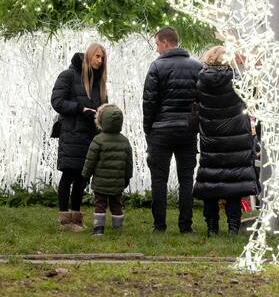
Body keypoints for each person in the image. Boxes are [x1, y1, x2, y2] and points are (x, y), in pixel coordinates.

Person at [192, 46, 258, 237]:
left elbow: (197, 106)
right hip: (235, 139)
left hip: (211, 138)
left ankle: (212, 227)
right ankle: (233, 227)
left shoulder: (201, 80)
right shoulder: (237, 79)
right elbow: (251, 98)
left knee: (210, 182)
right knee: (233, 186)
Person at [142, 26, 202, 233]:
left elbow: (149, 102)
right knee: (186, 179)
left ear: (166, 43)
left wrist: (148, 129)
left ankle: (159, 225)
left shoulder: (157, 67)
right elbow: (201, 100)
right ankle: (186, 225)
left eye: (157, 44)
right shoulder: (196, 66)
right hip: (187, 130)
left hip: (161, 130)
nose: (157, 49)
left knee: (159, 178)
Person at [51, 43, 108, 231]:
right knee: (69, 174)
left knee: (83, 177)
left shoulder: (99, 81)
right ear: (89, 56)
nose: (100, 60)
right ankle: (65, 219)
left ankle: (76, 218)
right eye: (97, 56)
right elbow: (57, 101)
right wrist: (79, 109)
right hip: (72, 132)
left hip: (91, 135)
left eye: (102, 58)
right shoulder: (68, 75)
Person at [81, 104, 133, 237]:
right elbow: (129, 164)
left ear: (101, 121)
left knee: (100, 204)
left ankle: (98, 229)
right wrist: (127, 178)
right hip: (117, 181)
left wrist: (85, 176)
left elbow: (90, 161)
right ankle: (117, 229)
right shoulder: (125, 141)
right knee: (116, 204)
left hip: (100, 182)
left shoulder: (98, 140)